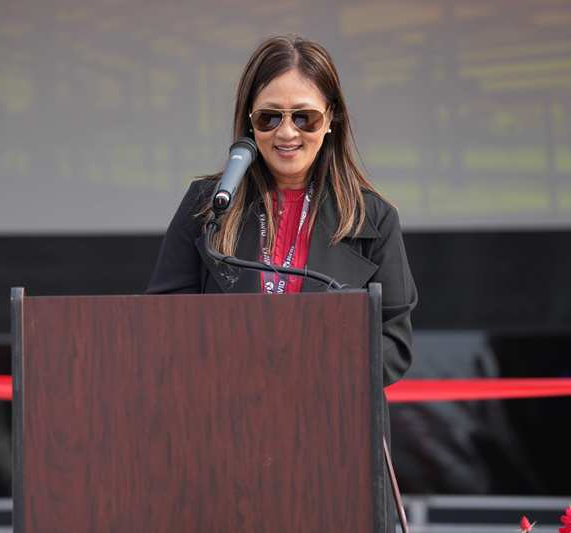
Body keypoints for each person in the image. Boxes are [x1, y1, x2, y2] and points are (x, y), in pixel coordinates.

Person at [146, 34, 418, 531]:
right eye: (268, 117)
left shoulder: (374, 218)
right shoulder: (206, 207)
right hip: (221, 444)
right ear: (248, 125)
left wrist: (308, 373)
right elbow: (164, 322)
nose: (286, 132)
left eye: (304, 116)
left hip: (333, 448)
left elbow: (394, 341)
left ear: (331, 119)